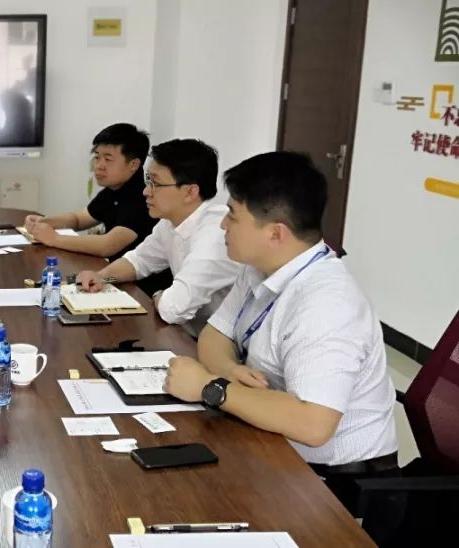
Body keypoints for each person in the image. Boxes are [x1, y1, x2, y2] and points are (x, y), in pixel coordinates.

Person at [163, 151, 398, 514]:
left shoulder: (327, 304)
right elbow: (214, 335)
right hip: (271, 443)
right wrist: (229, 371)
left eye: (232, 215)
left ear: (275, 233)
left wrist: (211, 387)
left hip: (336, 486)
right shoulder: (261, 266)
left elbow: (313, 424)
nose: (223, 225)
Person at [76, 139, 239, 334]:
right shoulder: (170, 221)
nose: (146, 191)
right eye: (148, 181)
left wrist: (158, 294)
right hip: (191, 333)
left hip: (223, 344)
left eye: (155, 183)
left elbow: (172, 309)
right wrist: (102, 277)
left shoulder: (214, 234)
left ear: (190, 192)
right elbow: (139, 261)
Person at [23, 123, 156, 260]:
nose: (99, 166)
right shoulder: (112, 191)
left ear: (133, 164)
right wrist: (45, 221)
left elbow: (107, 245)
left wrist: (54, 238)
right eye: (97, 157)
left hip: (135, 274)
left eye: (108, 159)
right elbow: (78, 219)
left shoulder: (143, 198)